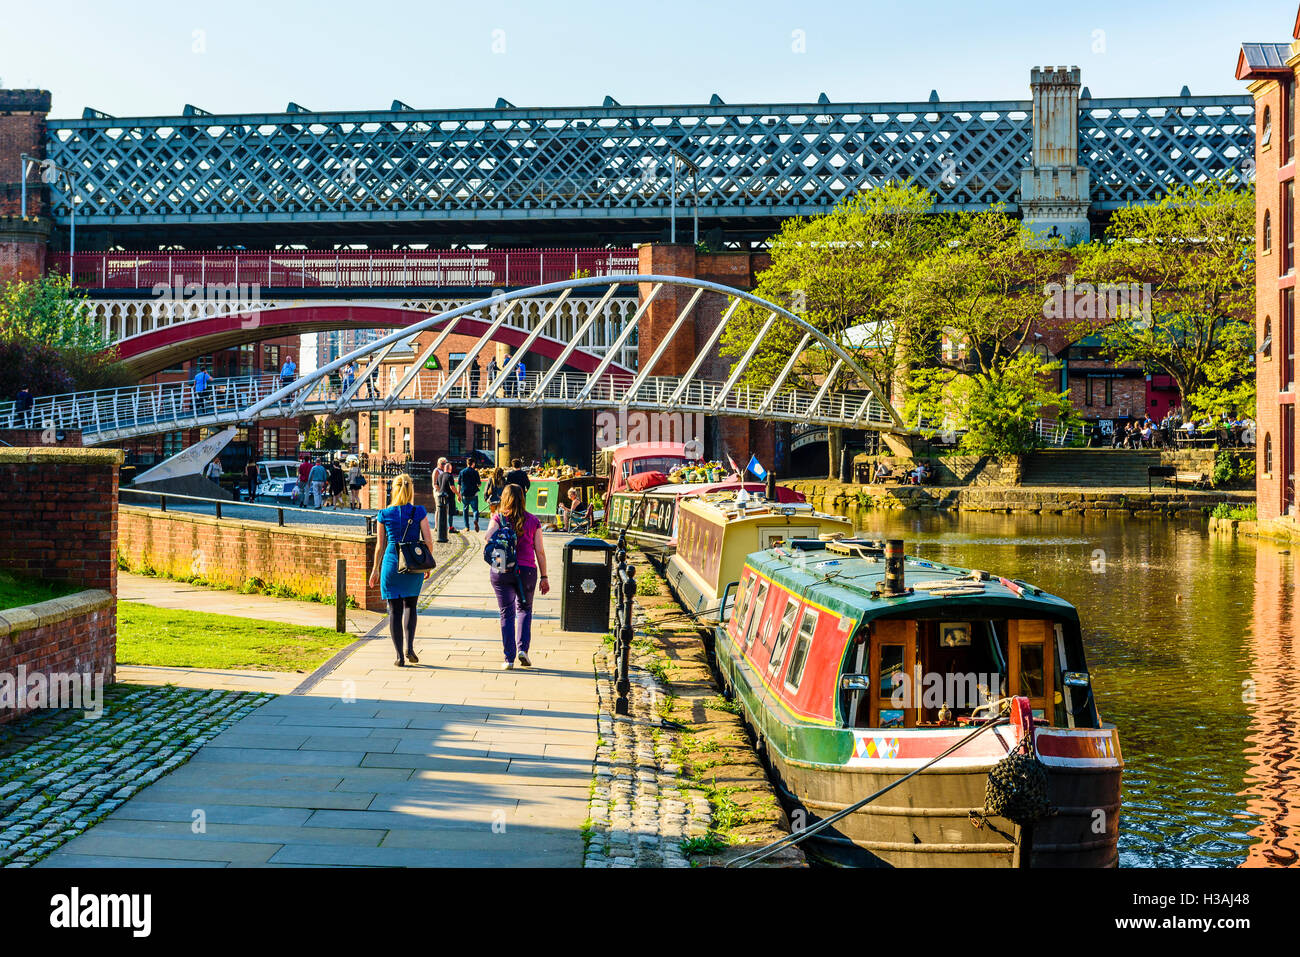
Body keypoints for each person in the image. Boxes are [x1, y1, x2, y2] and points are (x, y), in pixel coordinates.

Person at [368, 473, 435, 667]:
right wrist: (425, 564)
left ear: (394, 490)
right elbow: (429, 541)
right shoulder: (419, 512)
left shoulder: (384, 514)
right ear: (410, 490)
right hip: (412, 563)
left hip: (391, 563)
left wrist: (375, 569)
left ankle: (399, 656)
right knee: (410, 606)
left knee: (394, 610)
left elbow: (380, 546)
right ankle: (410, 648)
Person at [486, 484, 549, 670]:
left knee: (506, 612)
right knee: (524, 609)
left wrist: (498, 531)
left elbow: (488, 537)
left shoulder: (498, 518)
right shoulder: (533, 520)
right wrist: (544, 576)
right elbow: (540, 551)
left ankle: (508, 658)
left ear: (504, 498)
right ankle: (523, 650)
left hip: (502, 569)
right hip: (527, 570)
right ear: (523, 498)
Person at [433, 456, 457, 540]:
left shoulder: (442, 473)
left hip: (443, 494)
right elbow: (435, 484)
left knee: (442, 510)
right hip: (439, 493)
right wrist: (441, 492)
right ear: (438, 463)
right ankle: (437, 526)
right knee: (439, 509)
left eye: (445, 463)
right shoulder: (436, 471)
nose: (444, 465)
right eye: (442, 463)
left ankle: (442, 527)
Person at [458, 459, 482, 532]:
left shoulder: (462, 472)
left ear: (467, 463)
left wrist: (459, 494)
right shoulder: (475, 472)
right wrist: (477, 485)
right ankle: (475, 520)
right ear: (473, 464)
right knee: (475, 510)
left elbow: (459, 484)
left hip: (464, 493)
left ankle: (467, 527)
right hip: (474, 493)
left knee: (465, 510)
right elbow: (479, 484)